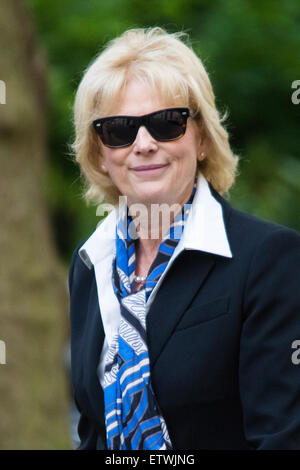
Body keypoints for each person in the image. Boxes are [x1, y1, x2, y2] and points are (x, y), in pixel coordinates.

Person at [68, 27, 300, 450]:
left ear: (203, 139)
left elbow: (281, 438)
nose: (143, 144)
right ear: (100, 152)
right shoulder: (91, 264)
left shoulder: (269, 259)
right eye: (119, 129)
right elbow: (93, 436)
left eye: (165, 124)